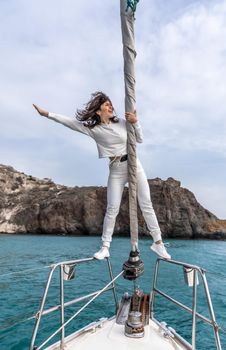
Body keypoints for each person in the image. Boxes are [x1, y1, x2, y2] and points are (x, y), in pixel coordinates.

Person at [33, 91, 171, 260]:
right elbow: (69, 122)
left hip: (134, 165)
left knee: (146, 204)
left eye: (110, 104)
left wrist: (136, 123)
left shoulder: (122, 122)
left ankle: (158, 243)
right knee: (112, 208)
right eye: (107, 104)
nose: (111, 106)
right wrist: (46, 114)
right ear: (98, 111)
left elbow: (139, 139)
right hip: (116, 169)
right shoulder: (93, 129)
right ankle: (105, 247)